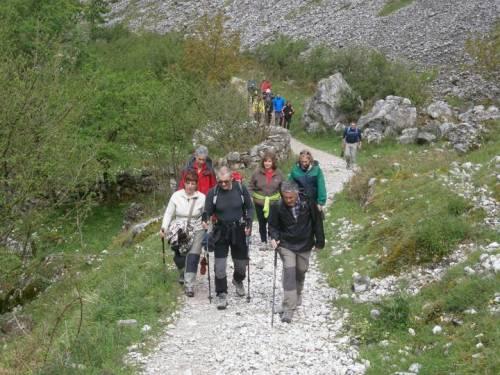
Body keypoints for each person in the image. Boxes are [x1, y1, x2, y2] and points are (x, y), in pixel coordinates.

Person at [268, 181, 325, 323]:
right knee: (289, 272)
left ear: (296, 194)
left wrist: (320, 242)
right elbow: (272, 226)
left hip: (305, 243)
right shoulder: (277, 205)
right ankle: (288, 307)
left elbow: (317, 222)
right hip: (286, 244)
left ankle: (297, 294)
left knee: (301, 270)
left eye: (291, 198)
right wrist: (274, 238)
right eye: (285, 197)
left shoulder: (309, 203)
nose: (288, 200)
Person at [202, 166, 254, 310]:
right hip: (220, 231)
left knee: (241, 266)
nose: (223, 184)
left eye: (226, 181)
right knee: (219, 266)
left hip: (238, 230)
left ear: (231, 178)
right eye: (220, 181)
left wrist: (249, 221)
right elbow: (207, 211)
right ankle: (221, 293)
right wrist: (205, 220)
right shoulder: (213, 193)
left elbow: (249, 208)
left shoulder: (241, 189)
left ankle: (238, 280)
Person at [160, 171, 206, 297]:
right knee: (180, 256)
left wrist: (208, 226)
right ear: (184, 183)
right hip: (179, 229)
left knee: (193, 255)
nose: (190, 186)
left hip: (197, 228)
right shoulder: (176, 196)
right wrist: (164, 227)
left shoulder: (202, 198)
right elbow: (169, 213)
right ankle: (182, 272)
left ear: (196, 184)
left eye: (193, 183)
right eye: (188, 183)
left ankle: (189, 285)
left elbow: (206, 215)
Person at [249, 152, 284, 251]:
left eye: (269, 161)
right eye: (265, 161)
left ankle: (272, 239)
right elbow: (250, 186)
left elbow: (283, 187)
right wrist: (250, 197)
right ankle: (263, 241)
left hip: (274, 203)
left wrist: (284, 199)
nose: (267, 163)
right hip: (259, 202)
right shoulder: (257, 172)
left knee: (273, 222)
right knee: (262, 222)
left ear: (273, 162)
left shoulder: (279, 173)